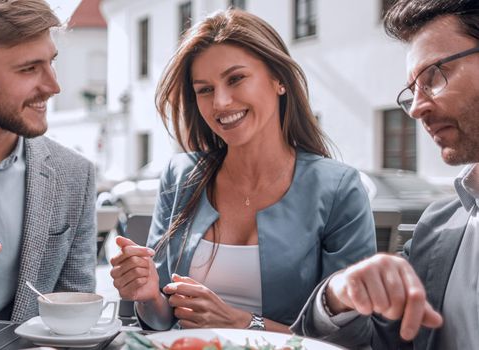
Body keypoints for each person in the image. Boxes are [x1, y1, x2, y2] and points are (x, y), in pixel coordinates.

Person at [110, 8, 376, 333]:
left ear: (279, 80)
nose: (220, 102)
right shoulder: (180, 176)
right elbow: (162, 320)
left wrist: (244, 324)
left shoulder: (339, 189)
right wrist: (148, 296)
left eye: (236, 79)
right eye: (204, 89)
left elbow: (351, 335)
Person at [290, 0, 479, 348]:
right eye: (413, 91)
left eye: (433, 76)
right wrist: (338, 296)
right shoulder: (437, 229)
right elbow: (378, 342)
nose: (417, 108)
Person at [0, 0, 97, 322]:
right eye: (29, 69)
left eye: (51, 63)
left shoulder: (75, 175)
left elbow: (72, 312)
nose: (53, 86)